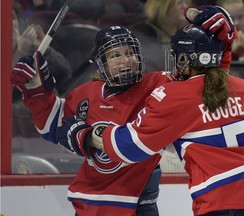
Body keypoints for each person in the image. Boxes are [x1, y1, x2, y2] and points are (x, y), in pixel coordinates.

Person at [92, 7, 244, 216]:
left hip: (217, 204)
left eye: (177, 55)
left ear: (185, 59)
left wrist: (93, 134)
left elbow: (130, 147)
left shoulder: (174, 96)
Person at [11, 25, 173, 216]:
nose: (125, 61)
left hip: (138, 206)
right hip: (91, 204)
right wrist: (38, 95)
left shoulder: (158, 86)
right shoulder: (85, 94)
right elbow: (52, 126)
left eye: (130, 52)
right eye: (115, 56)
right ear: (101, 63)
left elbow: (196, 86)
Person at [130, 0, 192, 72]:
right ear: (162, 6)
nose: (185, 7)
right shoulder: (141, 33)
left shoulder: (188, 34)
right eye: (179, 3)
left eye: (186, 3)